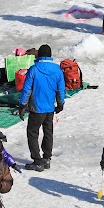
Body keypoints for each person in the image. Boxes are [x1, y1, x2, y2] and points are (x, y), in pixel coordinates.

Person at [19, 42, 65, 171]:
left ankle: (37, 160)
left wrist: (22, 105)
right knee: (48, 132)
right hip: (49, 109)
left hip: (36, 109)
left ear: (39, 55)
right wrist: (60, 103)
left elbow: (27, 89)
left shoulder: (34, 69)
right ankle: (47, 158)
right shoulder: (57, 70)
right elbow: (60, 89)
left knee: (32, 133)